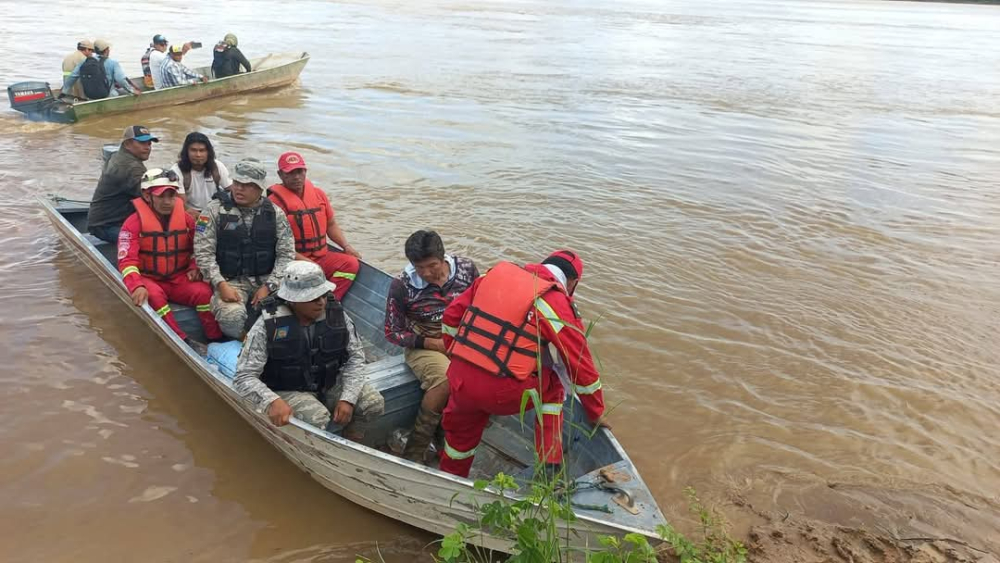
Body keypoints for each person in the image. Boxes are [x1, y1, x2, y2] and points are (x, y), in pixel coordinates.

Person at [438, 250, 607, 478]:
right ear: (573, 282)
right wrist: (595, 412)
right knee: (555, 388)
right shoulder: (555, 300)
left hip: (460, 379)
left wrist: (455, 354)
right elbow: (579, 365)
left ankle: (450, 478)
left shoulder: (492, 276)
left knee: (459, 441)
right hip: (503, 393)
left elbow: (450, 316)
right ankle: (550, 470)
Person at [233, 260, 385, 439]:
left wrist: (347, 398)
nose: (321, 302)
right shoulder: (267, 325)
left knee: (373, 404)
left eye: (322, 295)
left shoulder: (336, 315)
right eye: (312, 298)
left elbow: (355, 358)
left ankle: (352, 438)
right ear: (293, 300)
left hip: (328, 381)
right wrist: (272, 401)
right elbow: (244, 377)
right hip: (288, 388)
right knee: (316, 418)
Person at [383, 230, 478, 462]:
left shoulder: (466, 270)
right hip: (423, 344)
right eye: (419, 267)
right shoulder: (402, 285)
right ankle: (416, 449)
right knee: (446, 380)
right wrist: (432, 343)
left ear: (442, 257)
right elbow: (392, 332)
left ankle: (451, 437)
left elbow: (480, 308)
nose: (426, 273)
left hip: (463, 340)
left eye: (432, 266)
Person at [117, 168, 224, 345]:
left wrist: (194, 267)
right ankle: (181, 341)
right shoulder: (132, 224)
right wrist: (136, 285)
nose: (167, 202)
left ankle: (216, 339)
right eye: (161, 196)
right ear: (146, 195)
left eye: (171, 196)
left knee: (204, 293)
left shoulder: (187, 220)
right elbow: (127, 261)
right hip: (150, 279)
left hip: (178, 277)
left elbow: (199, 249)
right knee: (153, 297)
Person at [193, 158, 295, 339]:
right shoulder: (214, 211)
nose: (239, 188)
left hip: (267, 279)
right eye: (237, 183)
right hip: (230, 281)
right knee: (232, 316)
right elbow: (203, 253)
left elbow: (286, 254)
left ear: (259, 189)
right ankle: (242, 341)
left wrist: (270, 285)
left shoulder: (275, 213)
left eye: (247, 185)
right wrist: (220, 284)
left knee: (288, 316)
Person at [267, 152, 360, 302]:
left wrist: (346, 246)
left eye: (299, 171)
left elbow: (331, 224)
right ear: (280, 175)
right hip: (292, 261)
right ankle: (306, 304)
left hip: (321, 256)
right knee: (310, 273)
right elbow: (275, 244)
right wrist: (308, 264)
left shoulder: (319, 195)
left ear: (305, 172)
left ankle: (330, 302)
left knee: (351, 264)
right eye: (290, 173)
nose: (296, 177)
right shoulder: (273, 203)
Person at [88, 125, 158, 243]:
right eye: (142, 143)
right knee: (153, 241)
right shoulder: (129, 167)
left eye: (149, 143)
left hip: (105, 220)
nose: (147, 147)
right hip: (107, 226)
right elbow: (151, 196)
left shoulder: (121, 156)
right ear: (127, 144)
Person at [169, 132, 232, 213]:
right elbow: (181, 204)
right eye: (193, 150)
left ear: (208, 152)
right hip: (190, 211)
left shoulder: (217, 166)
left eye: (202, 150)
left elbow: (231, 189)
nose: (198, 155)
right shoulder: (177, 170)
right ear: (186, 152)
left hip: (214, 210)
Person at [64, 39, 141, 99]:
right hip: (109, 95)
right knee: (121, 92)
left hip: (90, 96)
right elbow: (121, 80)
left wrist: (64, 92)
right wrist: (132, 91)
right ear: (107, 50)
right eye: (108, 49)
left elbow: (72, 77)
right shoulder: (113, 63)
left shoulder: (86, 61)